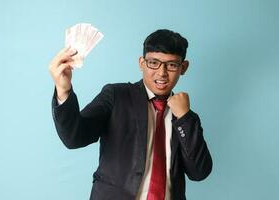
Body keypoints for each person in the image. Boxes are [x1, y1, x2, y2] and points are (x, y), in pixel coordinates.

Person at [49, 29, 213, 200]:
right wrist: (63, 90)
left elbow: (199, 172)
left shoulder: (186, 117)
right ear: (141, 63)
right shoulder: (116, 96)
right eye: (153, 63)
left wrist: (184, 118)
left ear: (183, 67)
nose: (162, 73)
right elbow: (74, 138)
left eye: (171, 65)